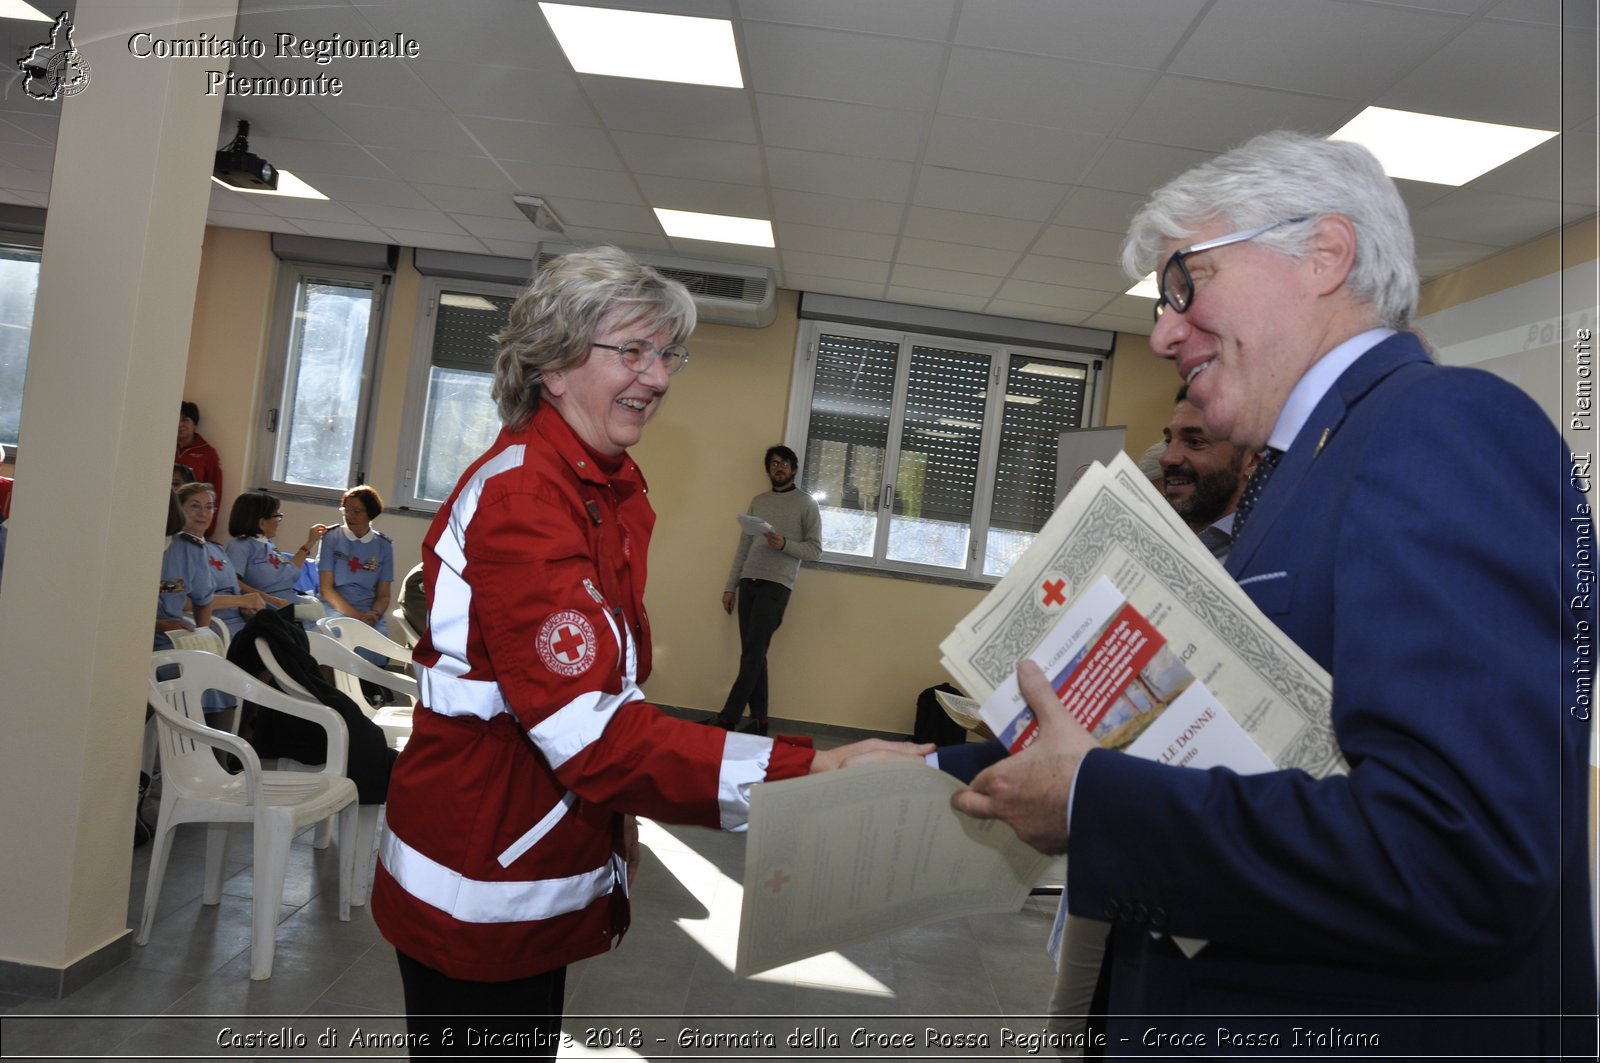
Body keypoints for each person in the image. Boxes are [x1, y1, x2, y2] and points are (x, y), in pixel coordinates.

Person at [950, 131, 1596, 1056]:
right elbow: (1243, 754)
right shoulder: (1305, 467)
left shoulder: (1440, 427)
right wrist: (949, 772)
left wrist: (1095, 799)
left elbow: (1461, 854)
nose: (1164, 329)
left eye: (1185, 282)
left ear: (1325, 253)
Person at [369, 246, 927, 1058]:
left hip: (529, 846)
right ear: (553, 364)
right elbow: (593, 734)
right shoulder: (529, 495)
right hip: (477, 870)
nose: (660, 376)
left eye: (667, 353)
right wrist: (815, 772)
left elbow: (599, 690)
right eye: (632, 351)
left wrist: (612, 815)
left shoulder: (598, 486)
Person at [705, 445, 822, 735]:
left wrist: (785, 545)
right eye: (772, 464)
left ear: (794, 469)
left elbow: (815, 549)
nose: (778, 468)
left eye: (783, 463)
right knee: (754, 654)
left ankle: (727, 718)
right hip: (749, 582)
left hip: (777, 585)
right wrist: (730, 586)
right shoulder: (758, 501)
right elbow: (743, 547)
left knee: (753, 655)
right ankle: (760, 720)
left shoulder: (806, 504)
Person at [1157, 384, 1259, 559]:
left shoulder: (1266, 555)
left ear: (1251, 461)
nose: (1166, 458)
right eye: (1168, 442)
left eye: (1195, 442)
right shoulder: (1158, 539)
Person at [174, 482, 265, 640]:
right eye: (195, 506)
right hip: (216, 628)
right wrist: (240, 601)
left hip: (241, 625)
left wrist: (245, 608)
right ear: (180, 509)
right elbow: (183, 602)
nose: (203, 514)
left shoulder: (216, 550)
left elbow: (235, 594)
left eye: (209, 507)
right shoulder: (175, 551)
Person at [224, 490, 327, 612]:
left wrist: (310, 543)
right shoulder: (240, 546)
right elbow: (232, 583)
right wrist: (272, 600)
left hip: (288, 604)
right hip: (269, 610)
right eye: (277, 515)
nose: (279, 520)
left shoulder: (268, 544)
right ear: (262, 522)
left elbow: (290, 571)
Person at [317, 484, 394, 640]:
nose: (349, 516)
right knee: (334, 637)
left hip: (368, 609)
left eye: (356, 512)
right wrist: (357, 616)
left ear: (370, 514)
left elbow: (384, 595)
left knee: (375, 643)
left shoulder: (383, 545)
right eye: (346, 510)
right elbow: (326, 589)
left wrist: (374, 614)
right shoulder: (331, 537)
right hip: (334, 605)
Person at [175, 402, 221, 536]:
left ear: (195, 424)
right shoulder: (163, 446)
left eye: (185, 419)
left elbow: (215, 490)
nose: (179, 424)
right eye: (176, 419)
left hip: (192, 520)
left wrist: (207, 528)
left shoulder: (208, 452)